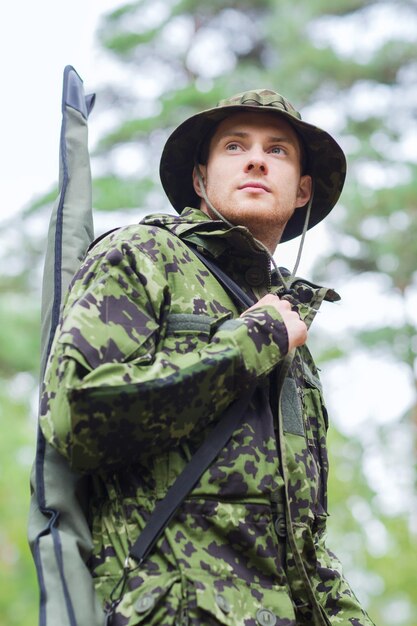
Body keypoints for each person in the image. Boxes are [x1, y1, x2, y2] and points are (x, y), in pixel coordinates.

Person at [39, 89, 375, 626]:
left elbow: (304, 544)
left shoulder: (293, 334)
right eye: (235, 145)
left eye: (279, 150)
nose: (257, 159)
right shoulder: (143, 254)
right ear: (200, 180)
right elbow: (76, 414)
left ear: (302, 190)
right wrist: (255, 339)